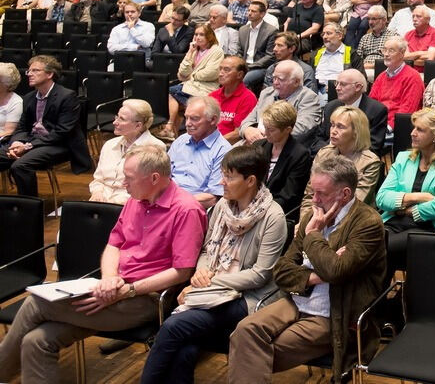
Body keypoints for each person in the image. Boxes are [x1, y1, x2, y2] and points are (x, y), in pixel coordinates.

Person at [0, 145, 206, 384]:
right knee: (36, 341)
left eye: (128, 178)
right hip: (111, 289)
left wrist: (126, 290)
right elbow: (114, 245)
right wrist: (109, 279)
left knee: (36, 303)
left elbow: (182, 271)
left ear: (154, 178)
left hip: (145, 299)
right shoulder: (136, 200)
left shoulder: (187, 210)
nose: (122, 183)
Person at [228, 151, 386, 381]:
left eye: (321, 194)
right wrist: (316, 276)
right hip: (297, 299)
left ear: (345, 194)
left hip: (335, 312)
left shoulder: (368, 223)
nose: (314, 200)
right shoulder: (314, 214)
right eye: (313, 192)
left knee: (251, 352)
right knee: (244, 332)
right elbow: (281, 271)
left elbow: (335, 271)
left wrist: (313, 235)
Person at [139, 145, 287, 384]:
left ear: (250, 180)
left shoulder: (273, 216)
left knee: (173, 327)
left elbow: (260, 275)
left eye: (229, 176)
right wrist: (201, 273)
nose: (221, 182)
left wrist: (210, 281)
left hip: (246, 297)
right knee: (184, 348)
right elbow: (207, 249)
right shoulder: (222, 207)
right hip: (212, 289)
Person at [375, 107, 435, 271]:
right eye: (414, 127)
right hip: (393, 223)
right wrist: (419, 197)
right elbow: (381, 198)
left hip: (429, 228)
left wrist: (403, 210)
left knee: (377, 250)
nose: (412, 133)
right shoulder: (404, 158)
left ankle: (379, 296)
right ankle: (379, 296)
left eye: (420, 130)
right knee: (368, 243)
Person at [0, 56, 91, 196]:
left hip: (59, 144)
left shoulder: (67, 96)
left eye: (35, 70)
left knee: (20, 166)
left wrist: (27, 146)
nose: (29, 74)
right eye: (29, 71)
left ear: (50, 74)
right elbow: (22, 127)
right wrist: (17, 142)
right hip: (33, 141)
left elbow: (61, 132)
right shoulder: (29, 97)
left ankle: (29, 209)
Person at [168, 96, 231, 208]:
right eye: (186, 118)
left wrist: (175, 204)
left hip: (193, 208)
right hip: (167, 200)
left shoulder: (223, 151)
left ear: (212, 120)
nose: (187, 123)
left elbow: (213, 197)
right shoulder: (181, 141)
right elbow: (164, 175)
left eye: (194, 119)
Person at [241, 60, 322, 144]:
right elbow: (248, 120)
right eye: (274, 78)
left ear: (296, 82)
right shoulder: (267, 93)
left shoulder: (308, 97)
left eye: (280, 79)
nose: (275, 83)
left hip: (285, 147)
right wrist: (248, 130)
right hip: (255, 142)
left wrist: (268, 134)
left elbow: (302, 128)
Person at [257, 101, 312, 219]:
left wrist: (259, 211)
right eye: (265, 128)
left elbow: (288, 196)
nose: (266, 133)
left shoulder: (300, 155)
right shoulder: (259, 147)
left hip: (277, 213)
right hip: (253, 206)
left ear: (287, 130)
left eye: (271, 130)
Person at [316, 68, 388, 156]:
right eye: (336, 83)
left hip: (357, 162)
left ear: (358, 87)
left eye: (343, 84)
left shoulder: (376, 110)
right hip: (328, 159)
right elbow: (319, 139)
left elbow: (374, 147)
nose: (337, 88)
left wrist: (342, 151)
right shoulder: (330, 107)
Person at [321, 106, 383, 204]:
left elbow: (356, 201)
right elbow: (310, 194)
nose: (333, 131)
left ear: (356, 132)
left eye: (340, 127)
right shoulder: (323, 153)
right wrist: (307, 217)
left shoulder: (370, 162)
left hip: (354, 216)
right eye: (332, 125)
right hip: (320, 211)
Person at [369, 36, 425, 132]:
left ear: (402, 53)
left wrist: (388, 127)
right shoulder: (381, 77)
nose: (386, 54)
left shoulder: (412, 77)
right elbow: (371, 104)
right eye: (384, 50)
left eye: (391, 51)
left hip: (398, 128)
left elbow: (407, 110)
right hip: (377, 125)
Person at [209, 56, 258, 144]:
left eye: (226, 70)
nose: (220, 74)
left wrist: (213, 143)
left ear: (239, 75)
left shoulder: (248, 98)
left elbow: (238, 133)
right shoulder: (212, 95)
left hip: (228, 145)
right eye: (220, 69)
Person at [238, 1, 278, 90]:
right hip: (244, 65)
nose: (249, 13)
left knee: (245, 79)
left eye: (253, 11)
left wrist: (251, 66)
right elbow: (239, 51)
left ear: (262, 14)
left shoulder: (271, 31)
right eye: (249, 10)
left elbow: (270, 56)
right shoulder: (242, 30)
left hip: (261, 67)